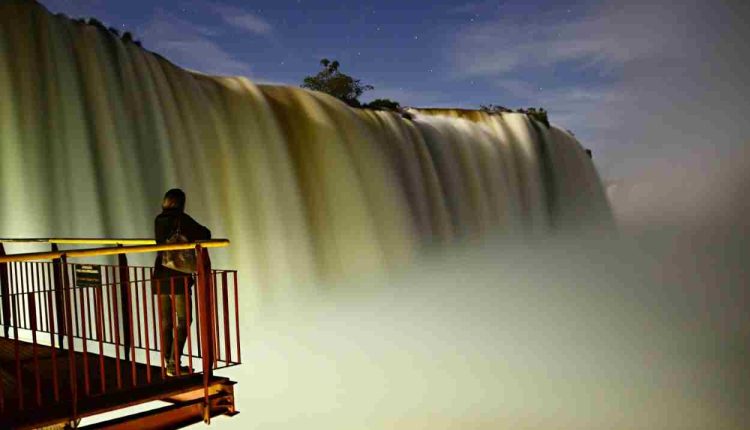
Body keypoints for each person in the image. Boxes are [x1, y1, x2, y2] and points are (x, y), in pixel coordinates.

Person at [152, 188, 211, 377]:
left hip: (160, 274)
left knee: (165, 322)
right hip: (178, 276)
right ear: (180, 203)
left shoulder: (158, 220)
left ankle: (168, 363)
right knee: (185, 320)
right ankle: (173, 364)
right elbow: (206, 233)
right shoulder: (182, 219)